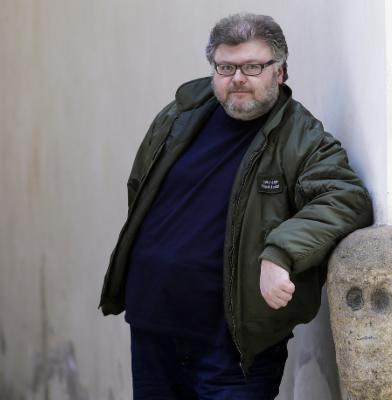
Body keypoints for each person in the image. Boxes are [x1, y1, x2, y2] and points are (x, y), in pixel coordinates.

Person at [99, 12, 373, 400]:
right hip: (153, 329)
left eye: (252, 67)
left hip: (232, 349)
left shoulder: (302, 138)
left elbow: (346, 198)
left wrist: (280, 252)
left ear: (280, 72)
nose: (238, 78)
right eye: (226, 67)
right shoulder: (178, 116)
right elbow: (140, 192)